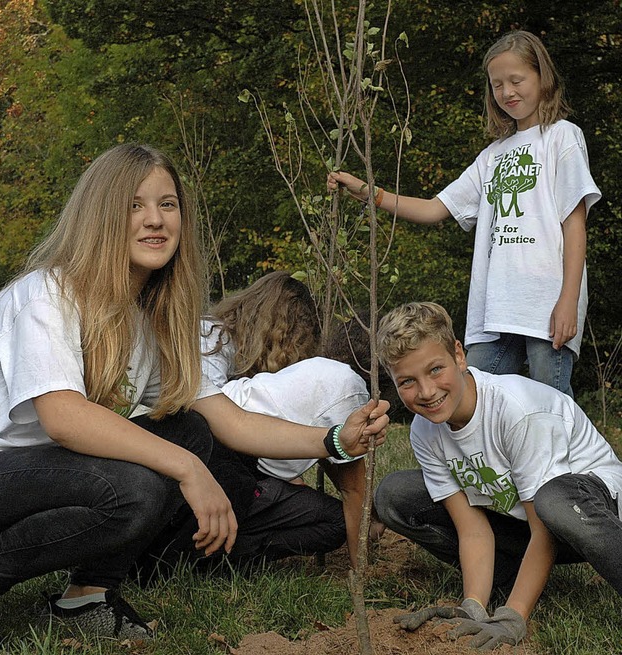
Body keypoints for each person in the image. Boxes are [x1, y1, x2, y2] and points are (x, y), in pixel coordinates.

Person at [0, 143, 389, 650]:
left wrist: (334, 439)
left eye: (167, 204)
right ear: (100, 214)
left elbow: (230, 422)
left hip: (53, 474)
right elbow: (64, 417)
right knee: (139, 484)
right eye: (134, 204)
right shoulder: (49, 294)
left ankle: (86, 598)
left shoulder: (149, 320)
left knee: (187, 429)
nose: (155, 220)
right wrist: (189, 469)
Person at [327, 30, 601, 397]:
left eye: (516, 80)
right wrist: (366, 191)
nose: (507, 92)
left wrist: (568, 299)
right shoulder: (491, 156)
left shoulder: (562, 137)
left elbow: (574, 223)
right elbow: (434, 209)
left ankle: (570, 457)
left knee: (549, 407)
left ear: (542, 78)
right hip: (494, 308)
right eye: (497, 84)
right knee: (475, 400)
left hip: (546, 303)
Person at [373, 301, 622, 649]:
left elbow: (545, 527)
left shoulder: (517, 410)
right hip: (526, 520)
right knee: (395, 495)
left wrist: (513, 617)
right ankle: (505, 584)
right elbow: (473, 528)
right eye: (408, 382)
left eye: (435, 370)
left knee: (554, 502)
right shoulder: (424, 432)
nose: (427, 392)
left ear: (459, 356)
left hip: (592, 516)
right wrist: (472, 605)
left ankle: (517, 600)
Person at [199, 272, 370, 568]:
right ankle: (226, 555)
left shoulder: (232, 350)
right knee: (331, 521)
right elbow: (211, 418)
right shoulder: (210, 338)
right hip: (207, 459)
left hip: (232, 461)